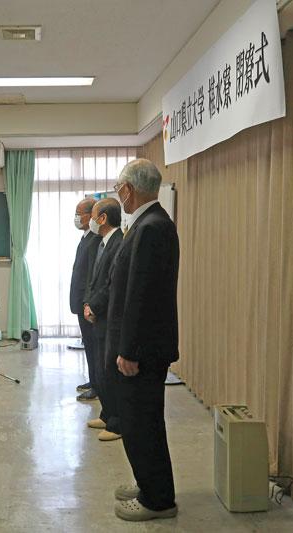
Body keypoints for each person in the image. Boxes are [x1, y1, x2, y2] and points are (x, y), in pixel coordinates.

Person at [108, 159, 179, 521]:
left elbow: (142, 296)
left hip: (143, 349)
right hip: (142, 345)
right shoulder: (148, 224)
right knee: (139, 422)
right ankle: (148, 482)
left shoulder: (151, 227)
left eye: (118, 186)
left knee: (144, 422)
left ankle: (158, 499)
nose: (117, 192)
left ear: (128, 189)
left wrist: (129, 350)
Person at [82, 198, 123, 442]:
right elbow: (93, 278)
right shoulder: (102, 243)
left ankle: (117, 424)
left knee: (110, 371)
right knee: (100, 368)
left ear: (103, 218)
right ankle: (108, 415)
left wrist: (94, 306)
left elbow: (112, 284)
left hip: (109, 316)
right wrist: (88, 304)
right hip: (97, 314)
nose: (90, 221)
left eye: (93, 215)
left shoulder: (119, 243)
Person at [70, 197, 102, 401]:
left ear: (91, 215)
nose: (76, 217)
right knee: (88, 345)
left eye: (79, 213)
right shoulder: (85, 238)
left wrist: (88, 303)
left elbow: (93, 276)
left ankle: (99, 386)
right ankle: (93, 380)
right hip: (81, 302)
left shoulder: (95, 240)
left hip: (87, 304)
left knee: (94, 346)